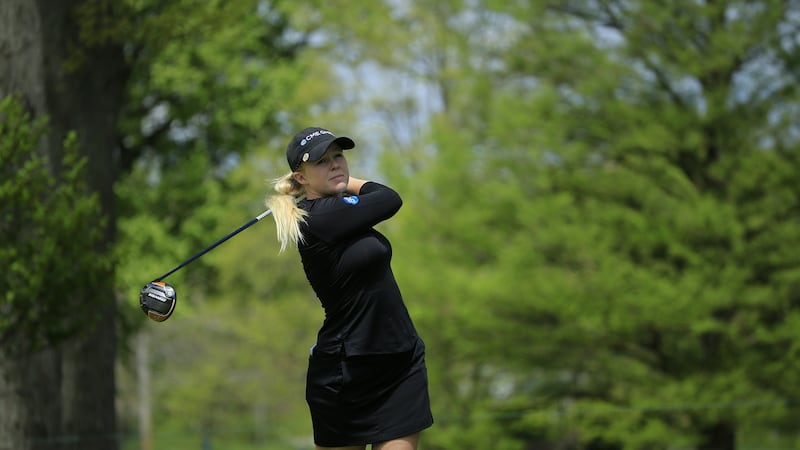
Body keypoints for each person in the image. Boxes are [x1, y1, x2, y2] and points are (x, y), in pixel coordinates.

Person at [265, 127, 434, 450]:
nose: (335, 164)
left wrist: (336, 180)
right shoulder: (317, 219)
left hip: (400, 362)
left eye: (338, 156)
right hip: (347, 371)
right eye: (322, 161)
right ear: (300, 177)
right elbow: (389, 198)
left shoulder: (341, 209)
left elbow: (380, 198)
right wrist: (347, 181)